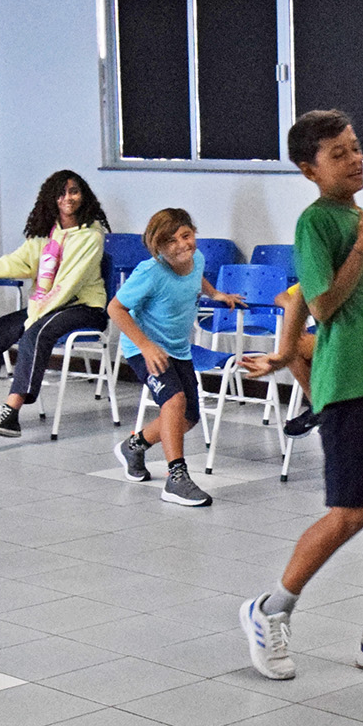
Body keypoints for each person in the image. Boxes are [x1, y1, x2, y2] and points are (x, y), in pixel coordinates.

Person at [238, 109, 363, 683]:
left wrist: (282, 353)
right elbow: (322, 303)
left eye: (356, 147)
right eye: (339, 154)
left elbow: (301, 295)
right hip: (346, 384)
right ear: (310, 170)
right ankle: (270, 609)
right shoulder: (317, 222)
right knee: (349, 514)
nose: (355, 159)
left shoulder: (356, 216)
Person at [0, 171, 110, 437]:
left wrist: (34, 316)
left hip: (85, 308)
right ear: (51, 198)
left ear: (83, 195)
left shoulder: (91, 236)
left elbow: (69, 284)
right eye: (61, 193)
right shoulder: (46, 233)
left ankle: (10, 414)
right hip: (46, 307)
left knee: (35, 332)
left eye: (74, 191)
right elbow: (16, 262)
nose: (68, 198)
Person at [108, 208, 242, 507]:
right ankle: (176, 478)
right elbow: (115, 308)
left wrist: (216, 294)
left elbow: (197, 278)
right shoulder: (150, 272)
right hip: (144, 349)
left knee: (189, 417)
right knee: (174, 400)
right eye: (171, 241)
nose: (182, 245)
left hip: (178, 348)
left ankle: (134, 446)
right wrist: (145, 346)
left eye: (186, 235)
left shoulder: (197, 258)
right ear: (158, 247)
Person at [239, 274, 363, 438]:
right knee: (295, 346)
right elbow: (281, 296)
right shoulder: (323, 279)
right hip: (335, 343)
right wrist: (294, 309)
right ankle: (320, 407)